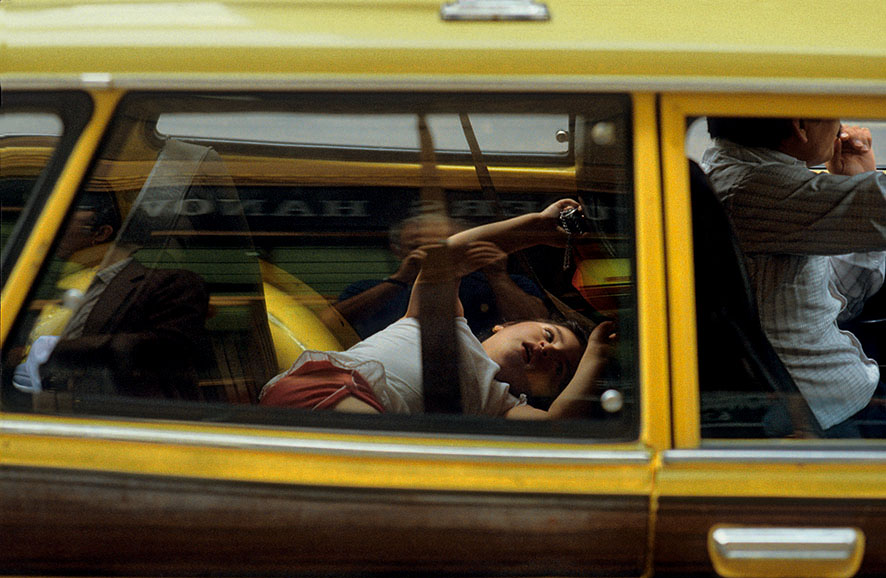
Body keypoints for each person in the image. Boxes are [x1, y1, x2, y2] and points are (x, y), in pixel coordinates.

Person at [260, 199, 616, 419]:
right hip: (328, 389)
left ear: (544, 394)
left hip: (368, 426)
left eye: (559, 368)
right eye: (549, 335)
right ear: (503, 326)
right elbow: (448, 257)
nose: (546, 351)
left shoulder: (501, 405)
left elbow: (553, 425)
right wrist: (535, 227)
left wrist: (596, 355)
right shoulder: (439, 321)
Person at [702, 117, 886, 437]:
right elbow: (879, 211)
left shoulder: (747, 177)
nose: (840, 125)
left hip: (834, 392)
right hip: (818, 411)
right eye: (834, 114)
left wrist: (856, 178)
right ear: (800, 124)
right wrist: (861, 186)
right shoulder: (753, 188)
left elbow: (839, 298)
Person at [12, 195, 210, 402]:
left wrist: (57, 350)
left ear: (101, 233)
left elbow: (168, 346)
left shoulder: (169, 283)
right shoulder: (68, 283)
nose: (53, 228)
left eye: (66, 218)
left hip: (120, 414)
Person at [334, 214, 548, 338]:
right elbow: (328, 324)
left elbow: (539, 324)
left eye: (446, 245)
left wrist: (498, 276)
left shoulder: (508, 284)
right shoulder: (368, 290)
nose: (437, 256)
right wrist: (399, 280)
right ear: (398, 251)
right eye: (418, 247)